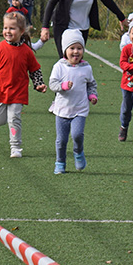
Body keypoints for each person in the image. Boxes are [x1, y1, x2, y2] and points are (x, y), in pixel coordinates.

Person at [0, 12, 47, 158]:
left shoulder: (26, 51)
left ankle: (15, 147)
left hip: (18, 93)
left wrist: (39, 84)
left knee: (14, 119)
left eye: (12, 28)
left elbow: (35, 70)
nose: (7, 31)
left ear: (21, 31)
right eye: (5, 28)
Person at [48, 29, 98, 175]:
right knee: (61, 140)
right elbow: (52, 84)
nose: (76, 52)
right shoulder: (59, 66)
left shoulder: (86, 68)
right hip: (62, 109)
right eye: (72, 48)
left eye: (79, 48)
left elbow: (91, 84)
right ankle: (60, 163)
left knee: (77, 135)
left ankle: (78, 152)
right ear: (65, 50)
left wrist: (92, 95)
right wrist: (62, 86)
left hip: (80, 109)